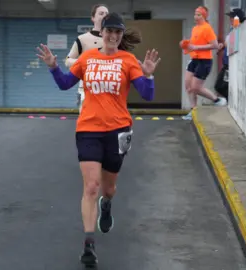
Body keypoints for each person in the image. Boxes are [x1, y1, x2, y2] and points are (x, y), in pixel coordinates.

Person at [36, 12, 161, 267]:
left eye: (118, 32)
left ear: (121, 35)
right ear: (101, 33)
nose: (113, 36)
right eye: (109, 31)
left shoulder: (128, 60)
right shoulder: (87, 58)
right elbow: (64, 84)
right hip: (88, 128)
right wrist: (52, 66)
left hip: (118, 130)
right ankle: (89, 245)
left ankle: (107, 205)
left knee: (108, 189)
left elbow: (147, 95)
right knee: (91, 186)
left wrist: (148, 75)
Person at [180, 6, 227, 120]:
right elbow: (192, 44)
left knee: (196, 87)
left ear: (204, 16)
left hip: (204, 61)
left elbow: (215, 45)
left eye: (199, 15)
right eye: (195, 14)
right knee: (188, 86)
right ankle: (193, 111)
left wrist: (196, 47)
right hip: (194, 60)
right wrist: (186, 45)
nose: (195, 16)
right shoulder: (195, 28)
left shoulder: (207, 28)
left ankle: (216, 100)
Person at [65, 4, 109, 112]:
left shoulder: (115, 40)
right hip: (87, 89)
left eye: (107, 14)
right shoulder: (83, 39)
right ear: (93, 18)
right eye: (101, 13)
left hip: (109, 89)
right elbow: (68, 61)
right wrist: (86, 62)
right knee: (87, 124)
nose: (104, 16)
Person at [215, 8, 246, 100]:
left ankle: (232, 101)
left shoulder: (239, 29)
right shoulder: (232, 29)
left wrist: (236, 24)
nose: (230, 20)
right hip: (227, 64)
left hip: (230, 65)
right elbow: (228, 42)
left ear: (236, 18)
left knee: (220, 86)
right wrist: (222, 45)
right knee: (223, 85)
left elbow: (236, 42)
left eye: (232, 17)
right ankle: (231, 101)